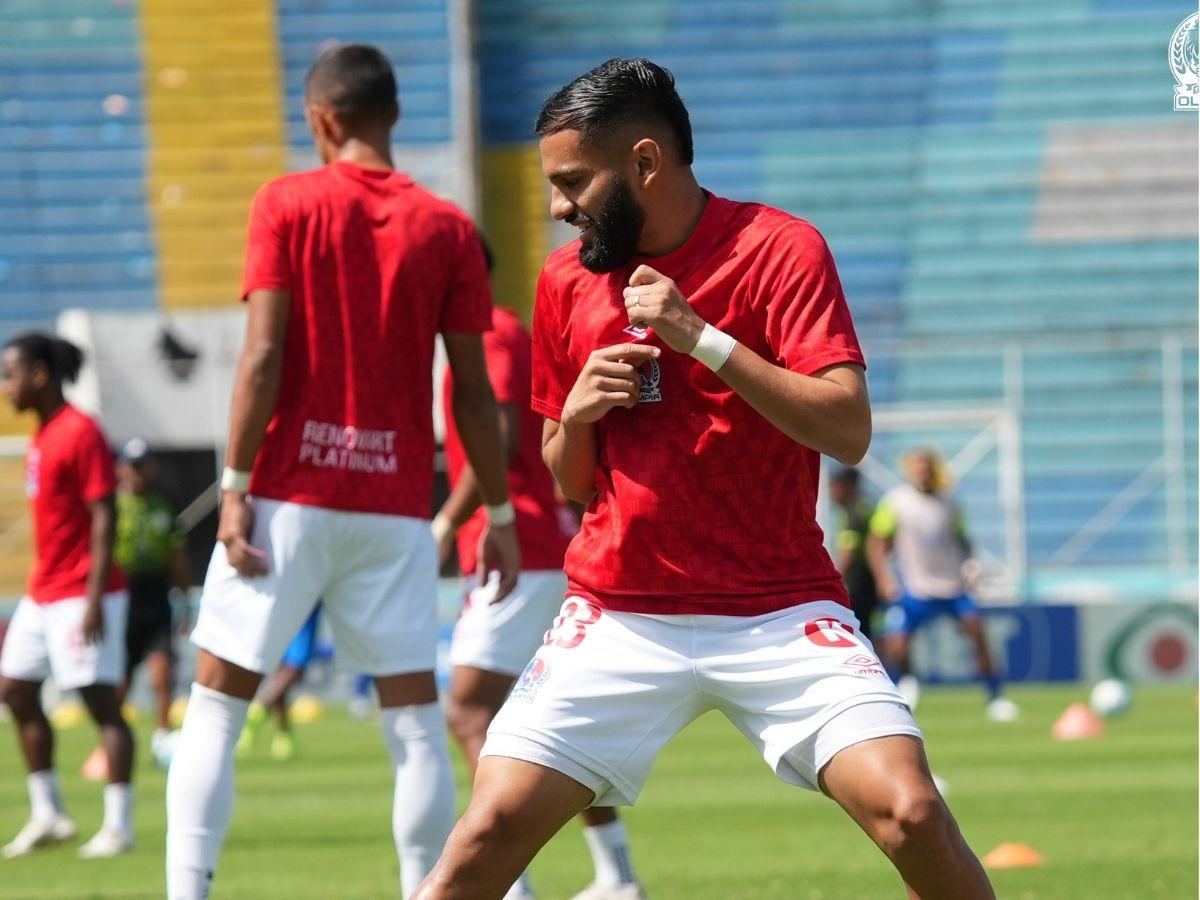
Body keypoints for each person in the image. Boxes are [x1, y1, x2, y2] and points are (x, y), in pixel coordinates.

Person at [414, 59, 995, 900]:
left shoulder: (780, 248)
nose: (557, 206)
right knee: (484, 837)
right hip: (619, 614)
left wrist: (703, 338)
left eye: (573, 181)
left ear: (646, 163)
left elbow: (847, 427)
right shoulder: (564, 280)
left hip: (781, 607)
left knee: (913, 813)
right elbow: (570, 478)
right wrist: (576, 417)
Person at [164, 44, 520, 900]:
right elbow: (472, 393)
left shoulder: (286, 202)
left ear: (323, 120)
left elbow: (261, 357)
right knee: (415, 727)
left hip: (289, 495)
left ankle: (189, 891)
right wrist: (498, 516)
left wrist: (237, 490)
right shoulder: (449, 229)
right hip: (395, 505)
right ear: (392, 116)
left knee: (215, 706)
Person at [435, 240, 645, 900]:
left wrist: (445, 522)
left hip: (516, 548)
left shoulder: (488, 337)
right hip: (548, 545)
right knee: (555, 724)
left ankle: (510, 885)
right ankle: (615, 875)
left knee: (470, 708)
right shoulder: (513, 334)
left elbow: (495, 436)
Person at [0, 332, 136, 859]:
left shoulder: (80, 431)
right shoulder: (43, 434)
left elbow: (105, 513)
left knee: (100, 704)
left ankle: (119, 826)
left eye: (11, 374)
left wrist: (95, 596)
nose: (5, 386)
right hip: (44, 591)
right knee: (14, 688)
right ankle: (48, 813)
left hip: (83, 590)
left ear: (39, 374)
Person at [867, 447, 1018, 722]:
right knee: (897, 645)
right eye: (917, 466)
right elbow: (877, 543)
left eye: (927, 466)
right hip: (915, 587)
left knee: (977, 633)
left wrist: (971, 565)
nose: (923, 471)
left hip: (952, 585)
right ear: (909, 470)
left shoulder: (949, 501)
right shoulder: (896, 502)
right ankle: (907, 683)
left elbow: (963, 539)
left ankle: (996, 697)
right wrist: (885, 577)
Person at [112, 438, 189, 768]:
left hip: (155, 594)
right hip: (122, 594)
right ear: (121, 469)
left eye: (144, 465)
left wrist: (184, 598)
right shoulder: (111, 506)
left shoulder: (163, 506)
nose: (139, 472)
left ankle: (162, 737)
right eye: (133, 465)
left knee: (162, 672)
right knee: (120, 677)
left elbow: (176, 555)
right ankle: (111, 737)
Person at [236, 605, 324, 762]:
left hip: (277, 609)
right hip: (304, 605)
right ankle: (259, 709)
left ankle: (283, 736)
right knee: (295, 668)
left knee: (281, 671)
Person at [828, 467, 879, 640]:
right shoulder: (865, 507)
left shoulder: (853, 511)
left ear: (847, 486)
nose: (831, 491)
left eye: (834, 486)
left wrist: (833, 581)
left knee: (857, 631)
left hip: (858, 582)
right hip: (868, 580)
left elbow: (848, 550)